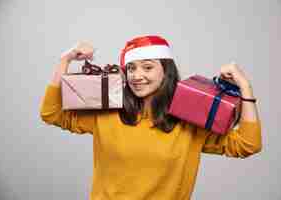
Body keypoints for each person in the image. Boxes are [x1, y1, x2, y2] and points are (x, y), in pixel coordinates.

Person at [40, 35, 262, 200]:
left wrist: (245, 87)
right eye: (131, 68)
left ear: (166, 71)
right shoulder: (108, 113)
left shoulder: (188, 122)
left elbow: (247, 144)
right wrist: (65, 60)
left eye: (148, 67)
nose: (137, 76)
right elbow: (52, 113)